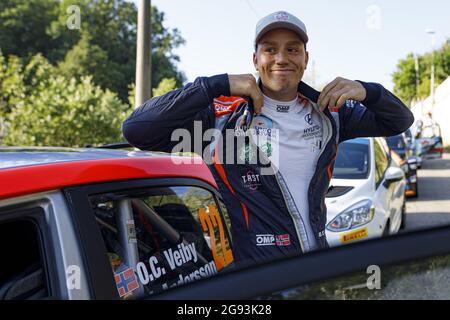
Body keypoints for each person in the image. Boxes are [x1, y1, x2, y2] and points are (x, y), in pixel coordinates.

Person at [122, 11, 414, 266]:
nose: (281, 59)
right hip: (258, 280)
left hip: (317, 271)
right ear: (255, 59)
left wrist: (368, 90)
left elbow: (399, 120)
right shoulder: (220, 117)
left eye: (292, 49)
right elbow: (137, 129)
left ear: (305, 58)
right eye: (270, 49)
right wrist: (215, 85)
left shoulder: (331, 113)